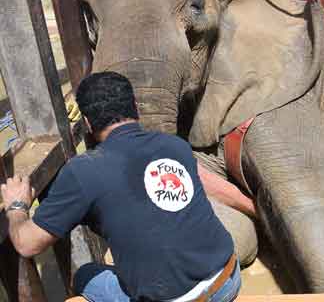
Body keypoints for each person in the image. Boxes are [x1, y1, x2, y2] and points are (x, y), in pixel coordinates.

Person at [0, 72, 241, 301]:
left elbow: (27, 243)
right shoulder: (175, 145)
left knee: (85, 276)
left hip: (180, 299)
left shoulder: (83, 171)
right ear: (135, 106)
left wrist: (17, 206)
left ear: (86, 122)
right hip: (228, 277)